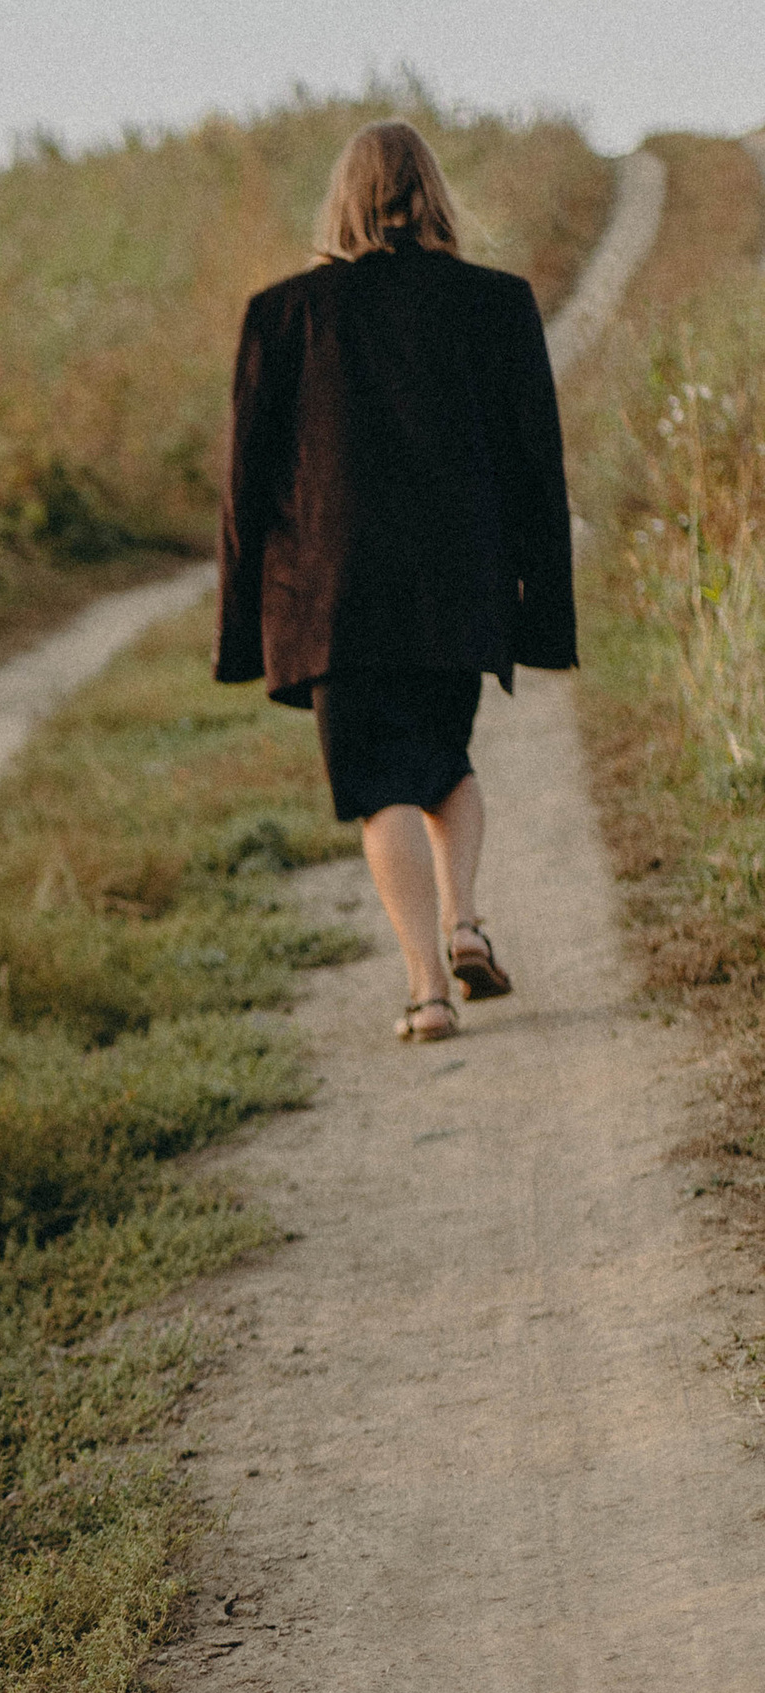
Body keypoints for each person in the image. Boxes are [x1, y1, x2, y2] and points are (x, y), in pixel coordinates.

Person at [216, 119, 574, 1043]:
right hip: (462, 588)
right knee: (444, 762)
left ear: (341, 199)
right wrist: (543, 614)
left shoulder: (283, 313)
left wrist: (241, 627)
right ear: (435, 194)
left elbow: (244, 488)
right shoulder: (497, 305)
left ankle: (426, 990)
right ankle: (464, 922)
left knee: (380, 786)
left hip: (333, 601)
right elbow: (539, 468)